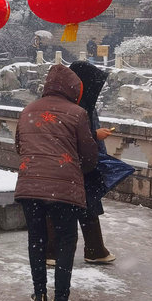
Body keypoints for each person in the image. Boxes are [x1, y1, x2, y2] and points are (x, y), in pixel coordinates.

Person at [14, 64, 99, 301]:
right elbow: (88, 154)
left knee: (37, 239)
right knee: (65, 240)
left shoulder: (28, 110)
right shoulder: (78, 113)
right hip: (64, 188)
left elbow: (19, 146)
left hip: (30, 185)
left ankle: (39, 294)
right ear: (72, 88)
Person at [44, 60, 116, 265]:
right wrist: (96, 136)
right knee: (74, 206)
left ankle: (87, 249)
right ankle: (79, 250)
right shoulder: (75, 107)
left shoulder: (72, 103)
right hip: (74, 163)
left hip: (75, 163)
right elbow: (69, 136)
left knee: (77, 204)